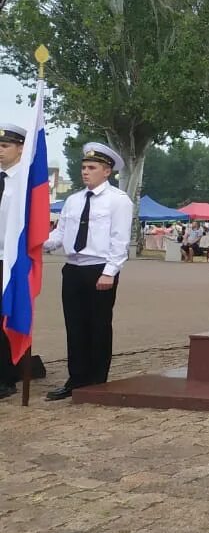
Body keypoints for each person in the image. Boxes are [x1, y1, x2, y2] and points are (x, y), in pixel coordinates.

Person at [44, 142, 134, 401]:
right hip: (73, 269)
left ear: (107, 171)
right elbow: (60, 234)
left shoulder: (118, 201)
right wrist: (38, 242)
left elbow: (120, 240)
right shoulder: (73, 200)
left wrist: (110, 271)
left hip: (99, 268)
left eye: (92, 167)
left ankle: (96, 380)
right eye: (83, 167)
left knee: (98, 325)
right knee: (74, 325)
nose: (85, 172)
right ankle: (77, 378)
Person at [0, 123, 27, 398]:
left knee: (7, 317)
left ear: (20, 148)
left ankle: (6, 377)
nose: (0, 151)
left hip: (11, 260)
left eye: (5, 145)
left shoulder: (26, 181)